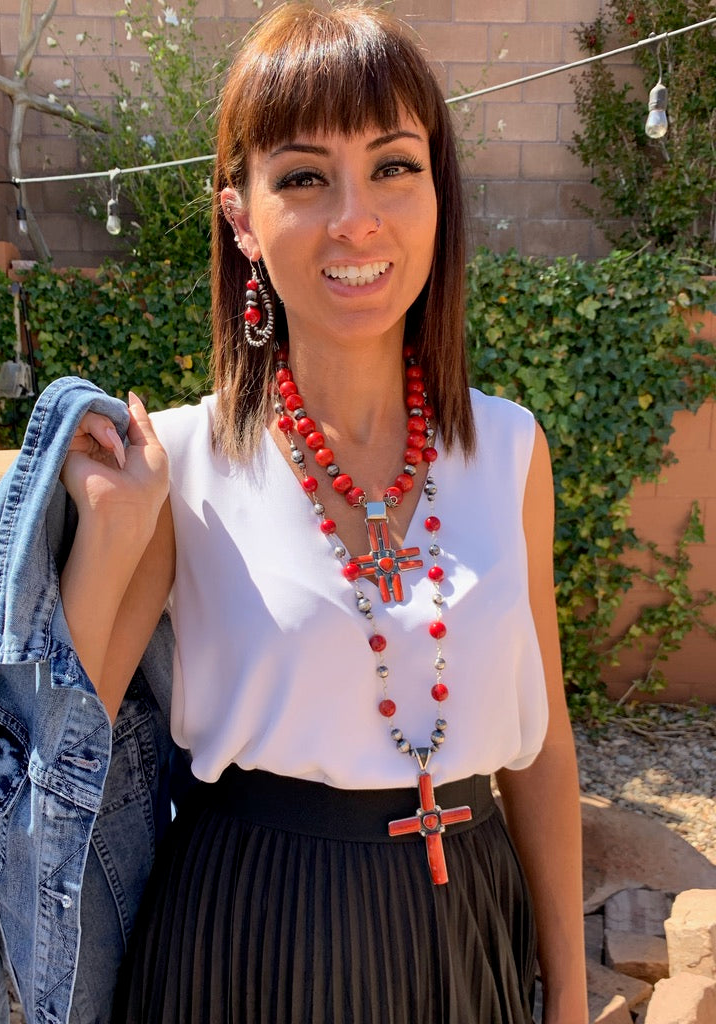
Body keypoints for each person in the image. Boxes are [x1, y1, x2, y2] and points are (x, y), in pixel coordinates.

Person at [60, 4, 589, 1022]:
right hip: (247, 939)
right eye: (304, 178)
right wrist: (111, 538)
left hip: (467, 932)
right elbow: (61, 750)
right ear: (241, 219)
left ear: (438, 190)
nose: (357, 218)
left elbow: (546, 742)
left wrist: (568, 990)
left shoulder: (512, 450)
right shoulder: (181, 463)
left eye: (394, 166)